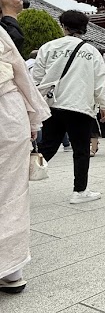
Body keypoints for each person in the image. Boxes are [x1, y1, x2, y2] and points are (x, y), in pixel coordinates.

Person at [33, 9, 105, 204]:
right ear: (84, 28)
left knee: (48, 146)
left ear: (63, 26)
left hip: (53, 104)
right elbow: (100, 81)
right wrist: (104, 105)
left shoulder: (48, 47)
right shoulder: (91, 52)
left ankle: (19, 176)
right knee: (81, 149)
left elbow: (36, 78)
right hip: (79, 105)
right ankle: (79, 190)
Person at [0, 22, 51, 293]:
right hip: (8, 112)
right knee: (11, 192)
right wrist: (33, 118)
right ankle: (11, 270)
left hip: (9, 112)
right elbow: (21, 74)